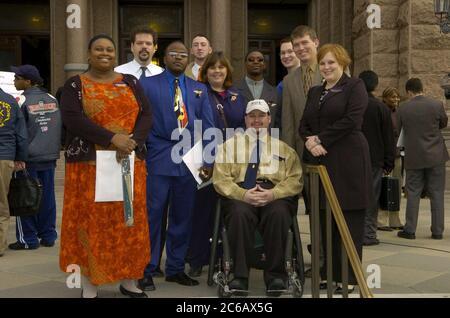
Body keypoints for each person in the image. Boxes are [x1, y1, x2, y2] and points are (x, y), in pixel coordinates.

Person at [59, 34, 152, 298]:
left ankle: (129, 280)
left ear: (116, 54)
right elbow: (73, 120)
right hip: (88, 168)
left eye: (109, 49)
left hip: (128, 165)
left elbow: (146, 114)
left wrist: (132, 142)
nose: (105, 53)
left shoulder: (131, 82)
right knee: (92, 224)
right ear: (88, 54)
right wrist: (113, 139)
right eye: (98, 49)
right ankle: (90, 284)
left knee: (129, 223)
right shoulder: (75, 85)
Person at [139, 41, 215, 291]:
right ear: (164, 57)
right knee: (153, 214)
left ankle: (175, 267)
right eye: (173, 54)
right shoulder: (148, 85)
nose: (179, 58)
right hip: (159, 155)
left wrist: (209, 159)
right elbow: (140, 119)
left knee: (183, 215)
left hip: (190, 160)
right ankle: (147, 268)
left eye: (183, 55)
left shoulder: (199, 89)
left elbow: (208, 126)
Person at [299, 44, 372, 294]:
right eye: (323, 63)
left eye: (332, 62)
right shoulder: (315, 91)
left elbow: (352, 120)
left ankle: (349, 278)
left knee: (348, 220)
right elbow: (304, 123)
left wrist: (320, 139)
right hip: (320, 163)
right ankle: (328, 273)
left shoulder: (355, 87)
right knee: (324, 221)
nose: (327, 67)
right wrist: (309, 140)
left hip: (348, 160)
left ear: (342, 63)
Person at [213, 99, 302, 296]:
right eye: (252, 116)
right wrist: (243, 194)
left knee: (279, 213)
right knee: (238, 214)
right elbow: (220, 180)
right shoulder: (228, 147)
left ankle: (276, 276)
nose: (256, 120)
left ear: (269, 119)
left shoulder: (284, 149)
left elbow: (295, 180)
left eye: (261, 115)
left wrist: (273, 194)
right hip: (241, 192)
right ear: (245, 119)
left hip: (274, 193)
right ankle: (239, 276)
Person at [186, 51, 247, 277]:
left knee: (228, 210)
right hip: (203, 160)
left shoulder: (236, 95)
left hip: (230, 162)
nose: (217, 71)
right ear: (205, 71)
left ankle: (224, 256)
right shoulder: (196, 93)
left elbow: (244, 124)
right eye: (212, 67)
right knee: (202, 209)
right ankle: (196, 258)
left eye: (221, 67)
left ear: (227, 71)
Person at [115, 25, 165, 277]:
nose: (144, 47)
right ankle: (123, 258)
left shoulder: (163, 74)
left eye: (149, 43)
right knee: (125, 206)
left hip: (154, 151)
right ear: (132, 46)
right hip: (122, 149)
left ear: (155, 47)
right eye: (140, 43)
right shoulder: (118, 74)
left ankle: (149, 261)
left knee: (153, 208)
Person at [8, 65, 62, 250]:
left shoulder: (21, 100)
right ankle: (48, 235)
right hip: (49, 156)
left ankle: (28, 239)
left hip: (28, 158)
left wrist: (18, 157)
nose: (14, 81)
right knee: (47, 197)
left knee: (25, 197)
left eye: (17, 78)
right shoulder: (52, 99)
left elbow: (20, 133)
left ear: (28, 81)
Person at [397, 78, 449, 240]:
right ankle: (437, 231)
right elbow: (443, 123)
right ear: (422, 88)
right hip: (436, 155)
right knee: (437, 193)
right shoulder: (436, 105)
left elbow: (399, 129)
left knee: (412, 193)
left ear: (409, 92)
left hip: (414, 156)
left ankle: (410, 229)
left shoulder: (403, 108)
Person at [359, 70, 395, 246]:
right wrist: (389, 161)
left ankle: (354, 231)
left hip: (353, 158)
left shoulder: (353, 104)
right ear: (375, 85)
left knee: (354, 195)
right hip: (374, 160)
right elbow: (389, 136)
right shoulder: (381, 107)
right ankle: (369, 234)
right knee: (371, 197)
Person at [0, 88, 27, 257]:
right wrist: (21, 157)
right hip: (4, 156)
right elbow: (21, 134)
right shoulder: (10, 100)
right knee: (2, 203)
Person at [377, 87, 404, 231]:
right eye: (393, 97)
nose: (396, 100)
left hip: (398, 155)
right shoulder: (381, 111)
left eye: (397, 97)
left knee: (396, 188)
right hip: (385, 156)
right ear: (385, 98)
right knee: (384, 187)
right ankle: (382, 220)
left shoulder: (398, 113)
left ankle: (395, 219)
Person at [235, 50, 278, 119]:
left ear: (264, 65)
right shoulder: (233, 90)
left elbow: (277, 121)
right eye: (251, 60)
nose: (255, 62)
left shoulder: (274, 92)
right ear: (245, 64)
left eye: (260, 60)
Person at [274, 37, 300, 130]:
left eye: (290, 51)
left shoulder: (309, 79)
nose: (286, 56)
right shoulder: (281, 85)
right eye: (282, 53)